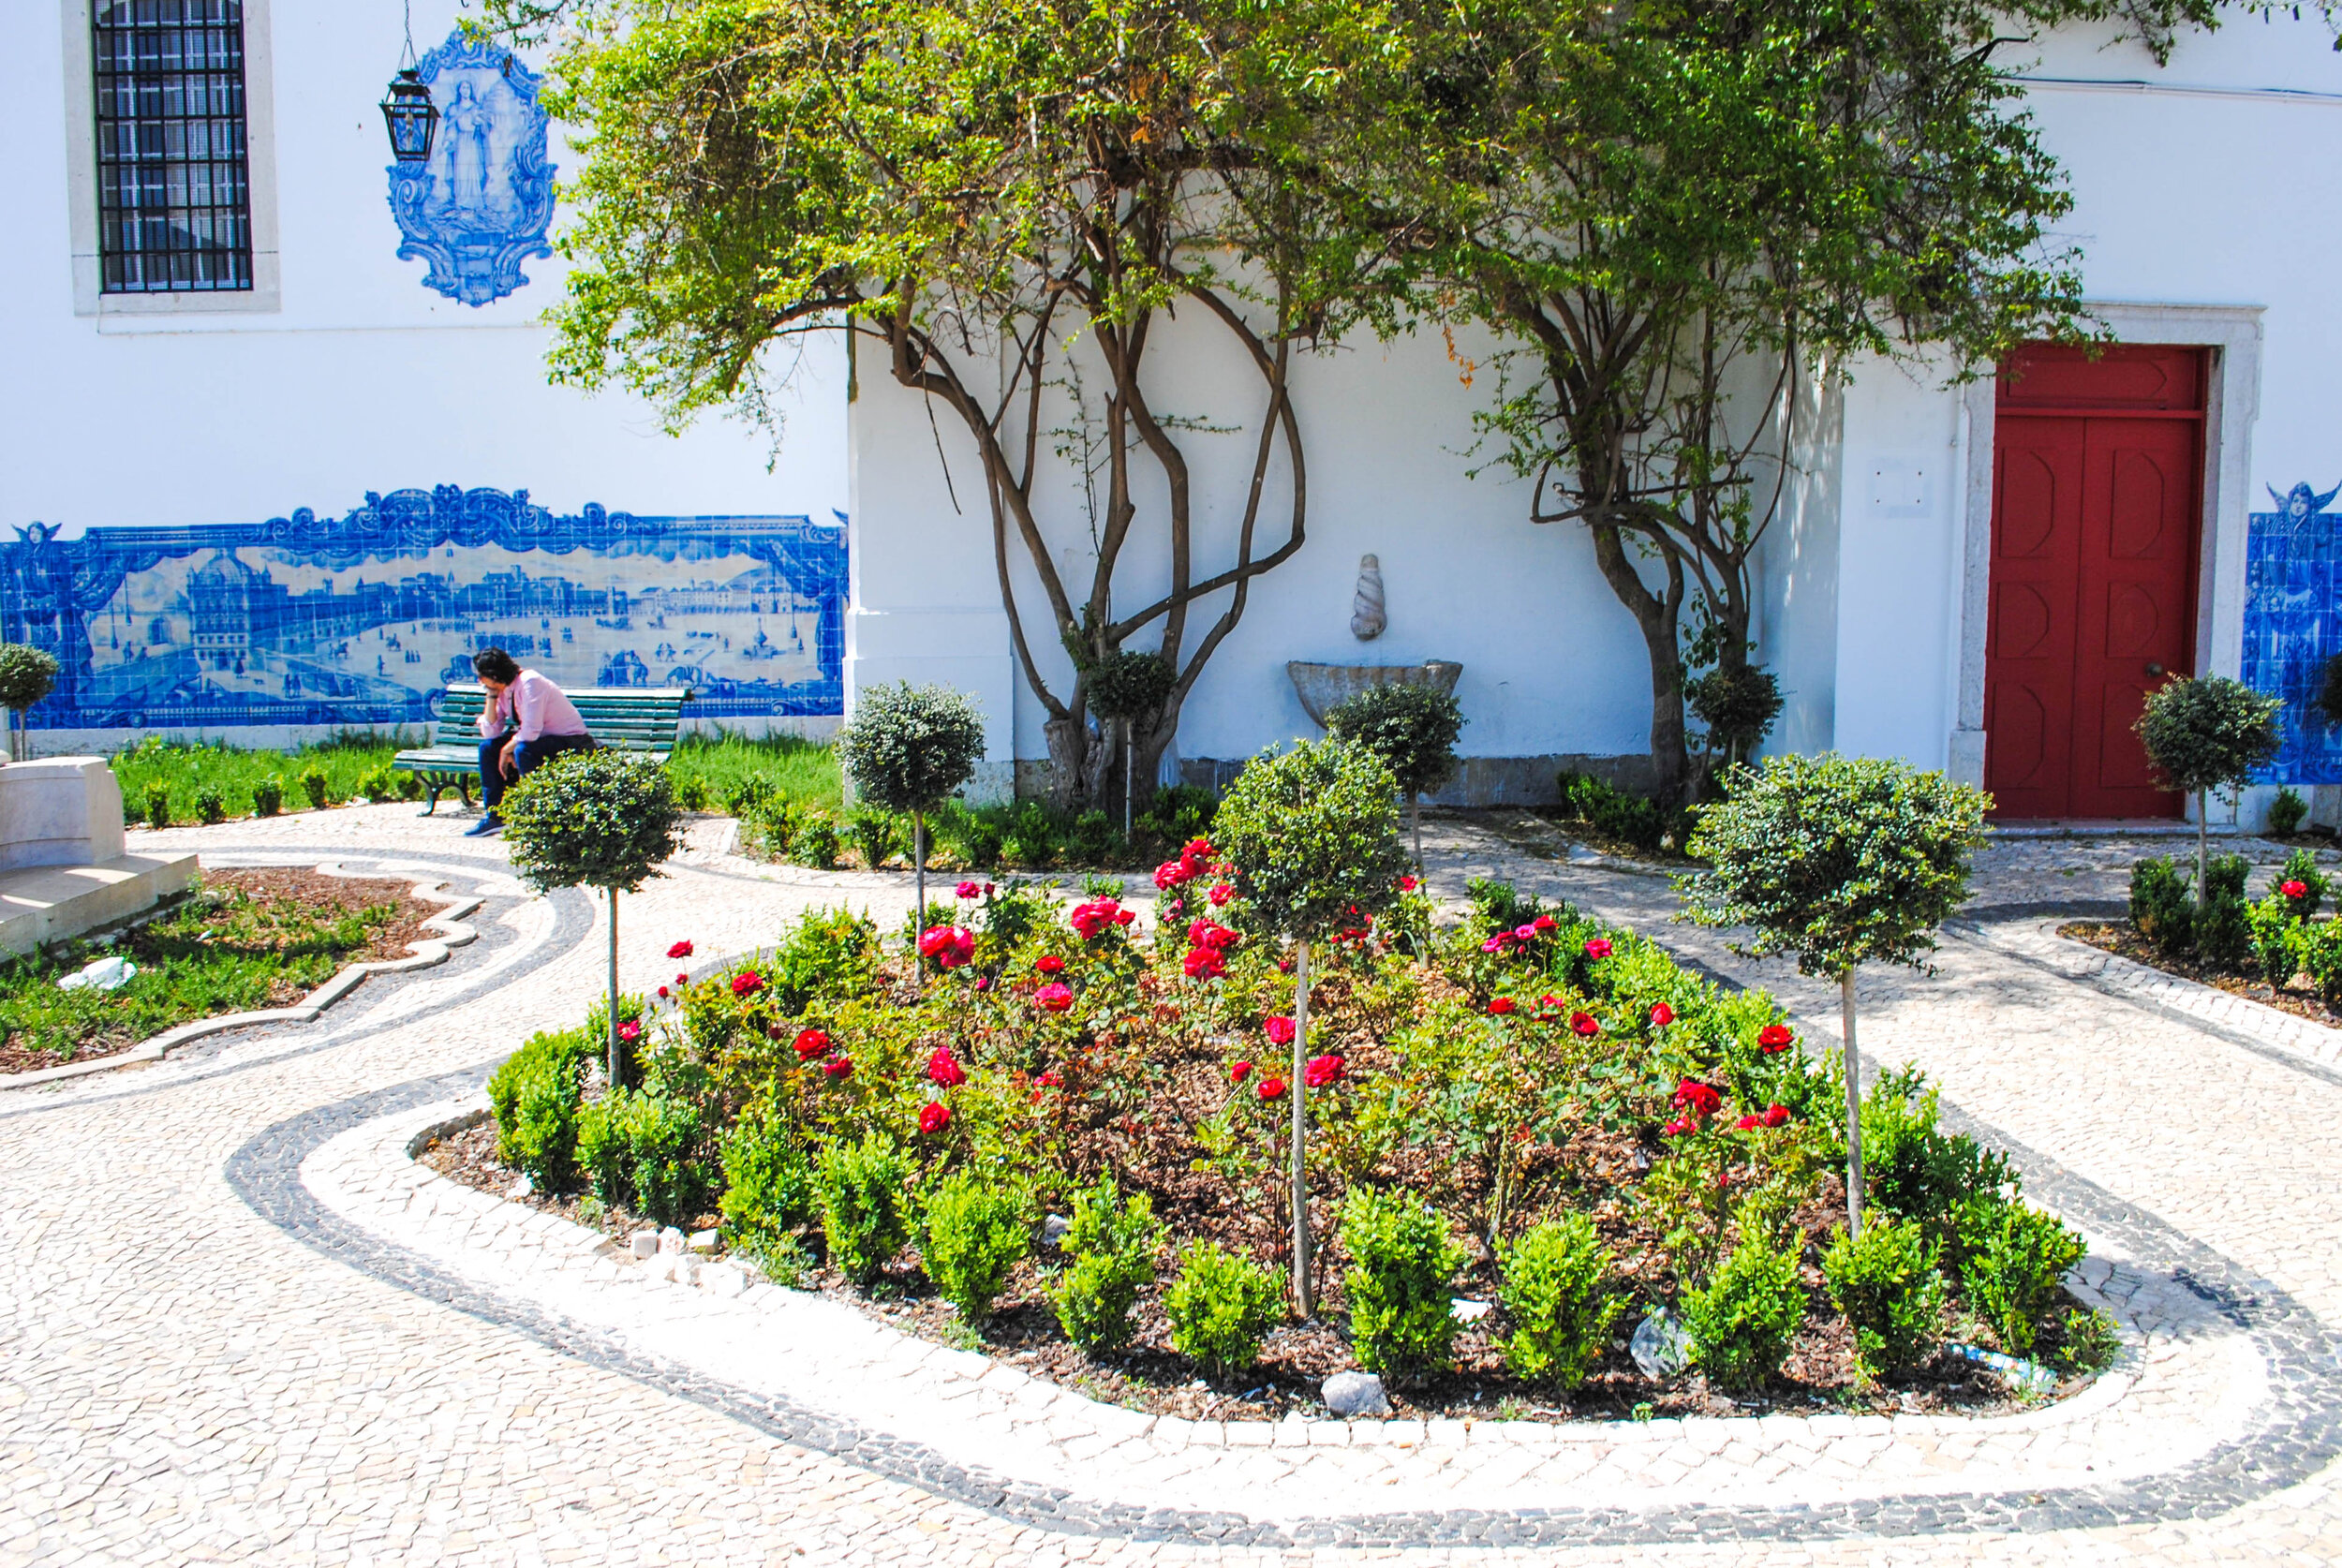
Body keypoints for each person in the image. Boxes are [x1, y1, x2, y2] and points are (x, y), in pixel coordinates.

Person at [466, 647, 593, 836]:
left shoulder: (530, 682)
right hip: (538, 740)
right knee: (488, 748)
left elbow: (531, 730)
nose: (479, 681)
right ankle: (495, 816)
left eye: (482, 676)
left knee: (523, 750)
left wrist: (506, 750)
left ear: (494, 675)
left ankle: (536, 814)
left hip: (571, 741)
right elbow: (490, 732)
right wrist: (491, 697)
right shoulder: (503, 690)